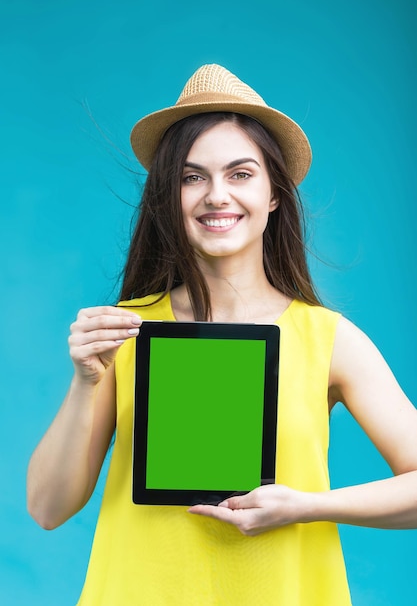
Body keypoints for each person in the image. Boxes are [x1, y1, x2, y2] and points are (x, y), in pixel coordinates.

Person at [27, 64, 417, 605]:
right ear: (169, 196)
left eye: (240, 174)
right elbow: (48, 509)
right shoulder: (126, 331)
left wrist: (306, 506)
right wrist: (85, 382)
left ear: (275, 194)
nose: (216, 195)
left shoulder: (329, 339)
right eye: (192, 177)